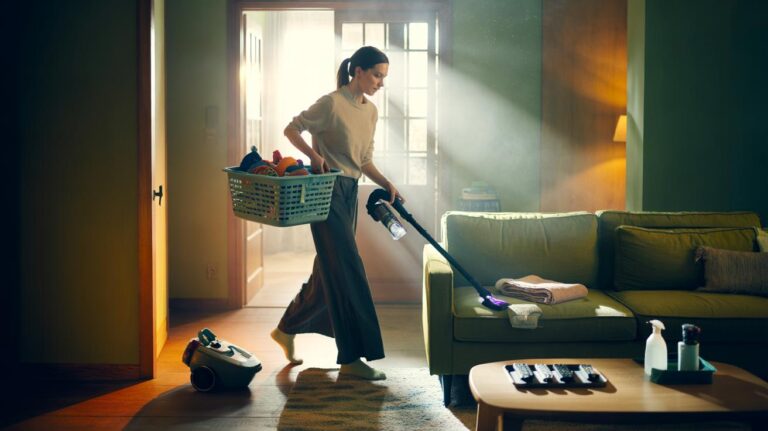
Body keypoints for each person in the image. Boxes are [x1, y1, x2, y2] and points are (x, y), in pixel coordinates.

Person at [270, 46, 403, 381]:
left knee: (329, 268)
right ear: (357, 71)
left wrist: (386, 182)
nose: (380, 83)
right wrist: (314, 158)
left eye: (383, 78)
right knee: (347, 269)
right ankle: (352, 358)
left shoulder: (370, 111)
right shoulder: (331, 103)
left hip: (349, 193)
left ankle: (286, 328)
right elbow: (291, 129)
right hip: (324, 191)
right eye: (376, 75)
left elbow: (363, 160)